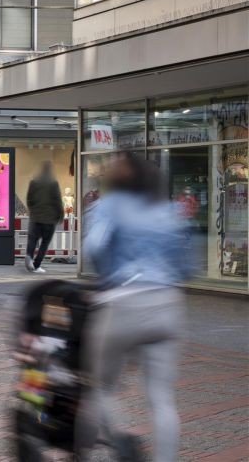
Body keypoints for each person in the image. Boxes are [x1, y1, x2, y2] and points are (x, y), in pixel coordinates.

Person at [76, 155, 191, 462]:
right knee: (162, 398)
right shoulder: (170, 212)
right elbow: (186, 264)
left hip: (123, 301)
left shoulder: (108, 206)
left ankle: (121, 442)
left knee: (100, 385)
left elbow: (95, 246)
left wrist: (106, 278)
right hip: (167, 303)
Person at [25, 161, 64, 274]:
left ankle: (29, 256)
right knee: (44, 243)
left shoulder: (34, 182)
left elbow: (29, 198)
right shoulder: (53, 183)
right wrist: (60, 215)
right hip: (49, 218)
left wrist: (32, 210)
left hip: (35, 217)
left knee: (33, 239)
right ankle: (36, 266)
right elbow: (57, 200)